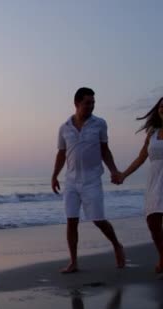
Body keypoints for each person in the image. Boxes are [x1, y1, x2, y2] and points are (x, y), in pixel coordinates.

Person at [51, 87, 125, 273]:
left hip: (92, 179)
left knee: (98, 219)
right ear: (76, 103)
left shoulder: (99, 124)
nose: (91, 106)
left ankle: (117, 245)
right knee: (71, 220)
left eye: (93, 103)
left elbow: (105, 150)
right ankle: (74, 262)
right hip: (71, 181)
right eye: (87, 103)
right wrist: (54, 175)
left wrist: (114, 170)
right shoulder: (64, 127)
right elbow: (61, 153)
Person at [116, 97, 163, 273]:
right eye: (161, 106)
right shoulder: (152, 132)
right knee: (152, 221)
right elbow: (141, 157)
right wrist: (123, 175)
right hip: (155, 180)